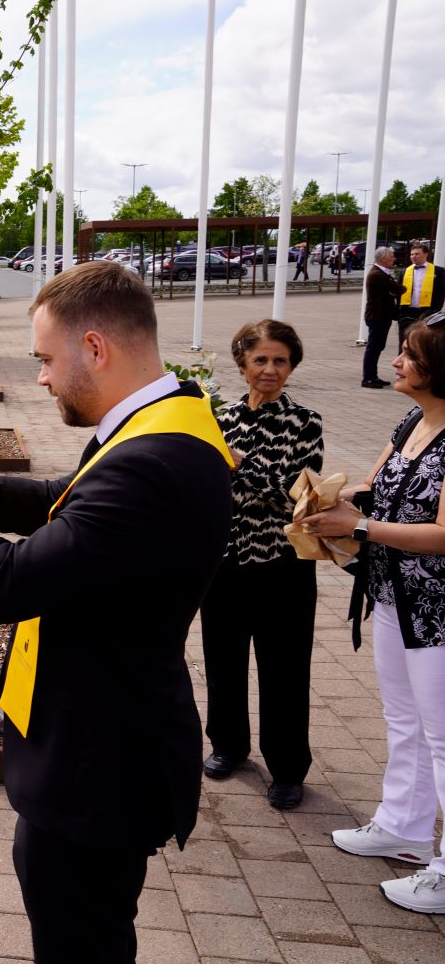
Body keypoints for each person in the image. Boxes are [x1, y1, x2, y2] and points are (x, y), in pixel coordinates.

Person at [0, 261, 233, 964]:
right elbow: (62, 503)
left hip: (100, 769)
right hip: (99, 751)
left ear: (95, 348)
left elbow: (7, 581)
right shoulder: (160, 422)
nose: (39, 378)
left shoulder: (152, 462)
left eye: (45, 359)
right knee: (85, 956)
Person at [304, 313, 445, 915]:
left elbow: (442, 535)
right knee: (404, 719)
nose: (396, 361)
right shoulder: (412, 421)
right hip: (392, 596)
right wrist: (333, 500)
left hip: (436, 611)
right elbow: (373, 486)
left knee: (443, 735)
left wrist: (359, 527)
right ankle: (403, 827)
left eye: (410, 355)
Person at [199, 320, 324, 811]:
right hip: (224, 562)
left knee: (285, 669)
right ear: (242, 364)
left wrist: (240, 463)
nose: (270, 369)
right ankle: (228, 745)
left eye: (280, 361)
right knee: (222, 660)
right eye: (260, 360)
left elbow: (298, 499)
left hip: (282, 565)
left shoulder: (305, 422)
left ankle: (288, 768)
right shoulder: (218, 418)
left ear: (292, 367)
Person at [363, 247, 405, 388]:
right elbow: (400, 289)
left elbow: (394, 290)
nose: (394, 259)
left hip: (381, 315)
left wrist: (392, 291)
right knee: (373, 348)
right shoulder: (377, 274)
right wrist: (394, 291)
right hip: (377, 316)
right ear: (383, 259)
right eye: (391, 256)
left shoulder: (381, 273)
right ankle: (368, 378)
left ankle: (373, 376)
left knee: (377, 347)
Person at [397, 243, 444, 335]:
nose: (414, 256)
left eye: (417, 254)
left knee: (425, 338)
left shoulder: (439, 271)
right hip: (407, 312)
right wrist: (399, 310)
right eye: (412, 254)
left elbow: (441, 293)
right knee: (405, 337)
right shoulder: (404, 271)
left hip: (427, 311)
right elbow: (399, 291)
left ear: (426, 254)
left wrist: (436, 310)